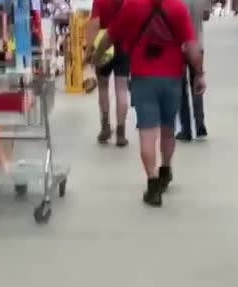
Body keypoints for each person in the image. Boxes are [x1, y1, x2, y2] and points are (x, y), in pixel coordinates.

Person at [92, 0, 206, 207]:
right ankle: (166, 168)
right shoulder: (177, 7)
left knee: (147, 133)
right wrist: (199, 74)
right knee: (168, 128)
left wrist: (97, 55)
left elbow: (109, 36)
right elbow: (191, 46)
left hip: (143, 76)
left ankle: (152, 182)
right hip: (172, 77)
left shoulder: (132, 5)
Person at [86, 0, 129, 146]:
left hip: (104, 47)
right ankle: (121, 133)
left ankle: (105, 127)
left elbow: (94, 24)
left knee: (103, 88)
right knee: (122, 90)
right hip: (124, 45)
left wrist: (89, 49)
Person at [176, 0, 211, 142]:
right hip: (197, 45)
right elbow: (206, 16)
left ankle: (186, 129)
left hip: (180, 47)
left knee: (180, 88)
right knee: (197, 84)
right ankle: (200, 125)